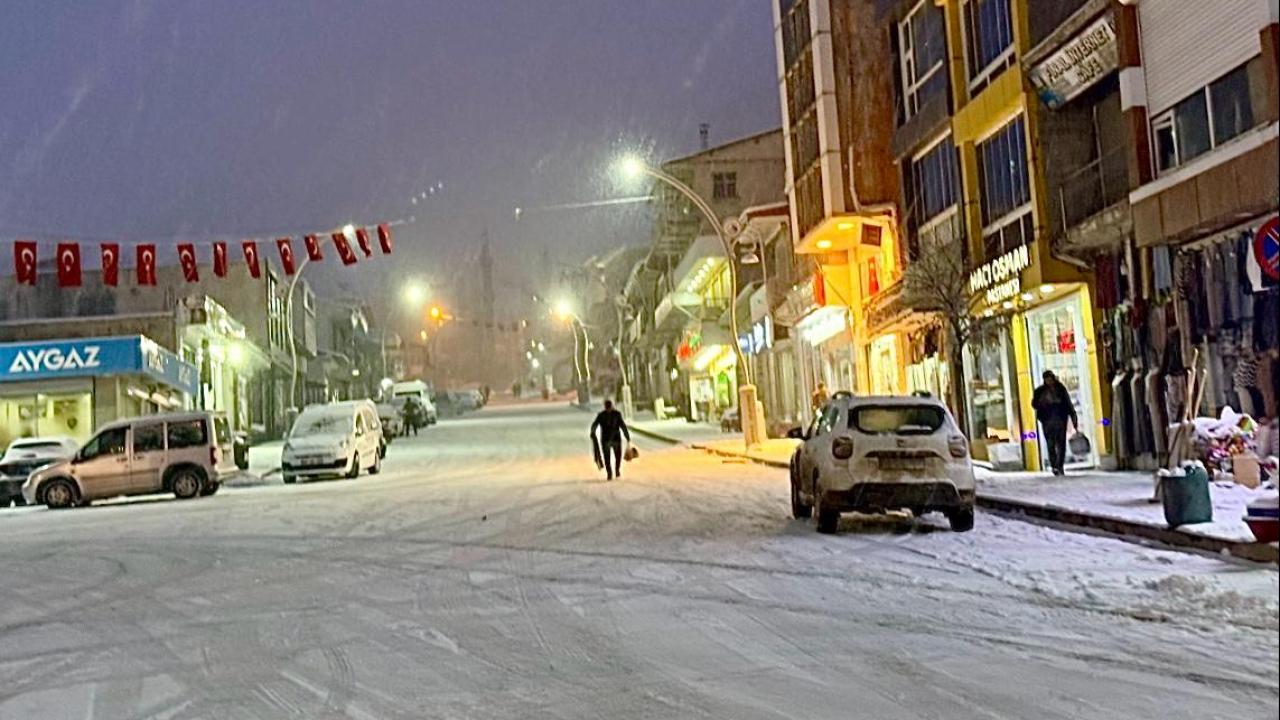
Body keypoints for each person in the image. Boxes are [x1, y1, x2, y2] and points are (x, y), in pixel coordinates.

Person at [1032, 370, 1077, 476]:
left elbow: (1067, 402)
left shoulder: (1060, 389)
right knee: (1050, 443)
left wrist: (1073, 415)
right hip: (1047, 420)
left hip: (1060, 418)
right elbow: (1034, 404)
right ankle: (1054, 466)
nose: (1049, 381)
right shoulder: (1040, 391)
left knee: (1061, 443)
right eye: (1047, 379)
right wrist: (1042, 402)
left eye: (1050, 379)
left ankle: (1059, 465)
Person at [590, 399, 631, 480]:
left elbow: (594, 425)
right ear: (611, 406)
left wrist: (592, 432)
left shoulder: (601, 415)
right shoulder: (617, 414)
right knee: (617, 456)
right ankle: (616, 471)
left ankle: (610, 473)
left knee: (607, 458)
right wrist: (627, 437)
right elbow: (623, 426)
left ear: (605, 407)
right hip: (615, 439)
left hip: (606, 440)